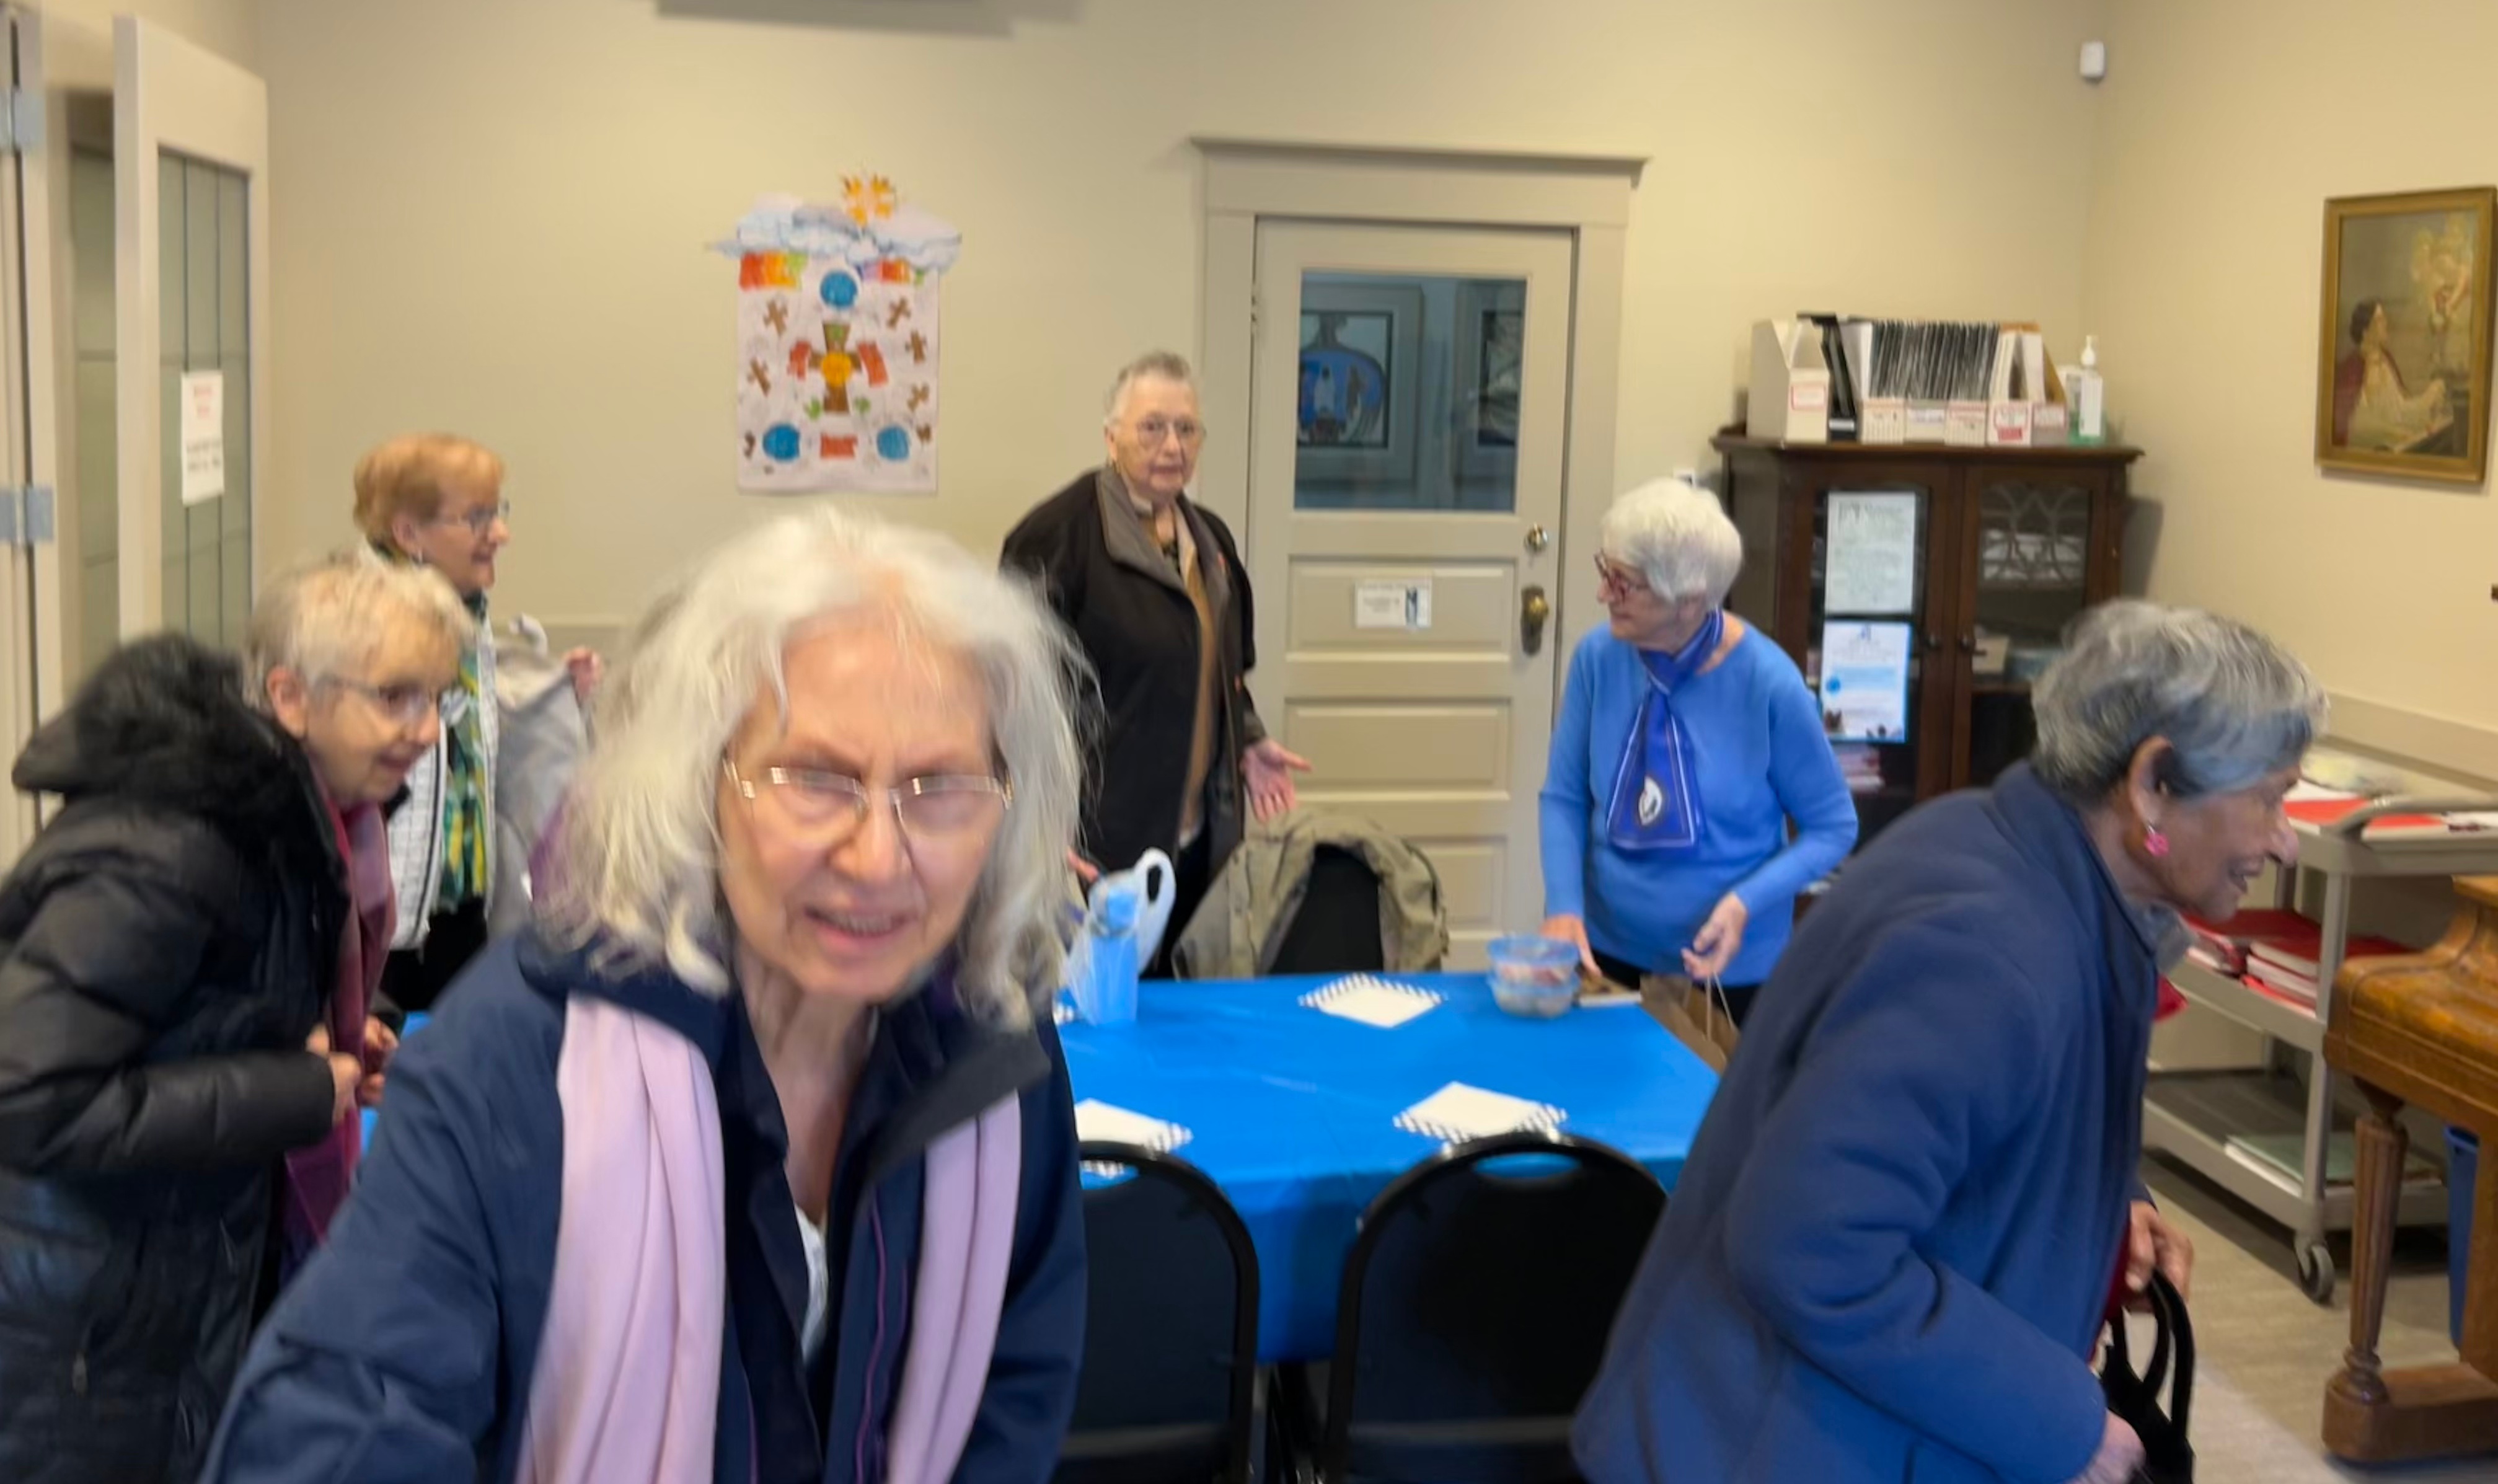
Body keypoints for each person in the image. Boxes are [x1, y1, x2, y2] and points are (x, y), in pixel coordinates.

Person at [206, 508, 1088, 1484]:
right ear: (698, 784)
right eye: (814, 779)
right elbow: (343, 1421)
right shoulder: (514, 1054)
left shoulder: (994, 1040)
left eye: (939, 787)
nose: (879, 858)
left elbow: (1015, 1382)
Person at [1575, 600, 2320, 1484]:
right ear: (2152, 781)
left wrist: (2105, 1198)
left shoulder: (2019, 859)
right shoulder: (1986, 954)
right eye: (2268, 798)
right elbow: (1813, 1251)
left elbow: (1989, 1108)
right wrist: (2065, 1426)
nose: (2283, 839)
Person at [0, 556, 471, 1484]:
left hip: (176, 1266)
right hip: (89, 1313)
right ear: (291, 697)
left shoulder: (307, 819)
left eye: (436, 699)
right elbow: (29, 1093)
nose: (425, 731)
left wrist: (351, 1018)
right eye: (394, 698)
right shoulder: (172, 845)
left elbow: (223, 985)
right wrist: (295, 1091)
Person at [1001, 351, 1309, 972]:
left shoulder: (1211, 542)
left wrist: (1247, 738)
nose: (1173, 445)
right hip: (1096, 843)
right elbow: (1009, 693)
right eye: (1152, 427)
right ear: (1111, 437)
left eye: (1187, 428)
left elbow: (1222, 671)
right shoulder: (1058, 536)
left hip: (1198, 839)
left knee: (1186, 1002)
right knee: (1104, 1006)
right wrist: (1031, 819)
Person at [1538, 477, 1856, 1023]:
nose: (1602, 595)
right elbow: (1565, 796)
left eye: (1624, 584)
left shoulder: (1769, 685)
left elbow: (1834, 828)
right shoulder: (1598, 657)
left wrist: (1745, 902)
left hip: (1728, 972)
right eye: (1605, 572)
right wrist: (1564, 907)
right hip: (1603, 954)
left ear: (1688, 601)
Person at [355, 433, 596, 1014]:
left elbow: (462, 740)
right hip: (387, 927)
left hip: (458, 908)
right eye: (477, 518)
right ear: (409, 534)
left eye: (498, 512)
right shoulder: (363, 623)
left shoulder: (464, 611)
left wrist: (552, 689)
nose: (500, 533)